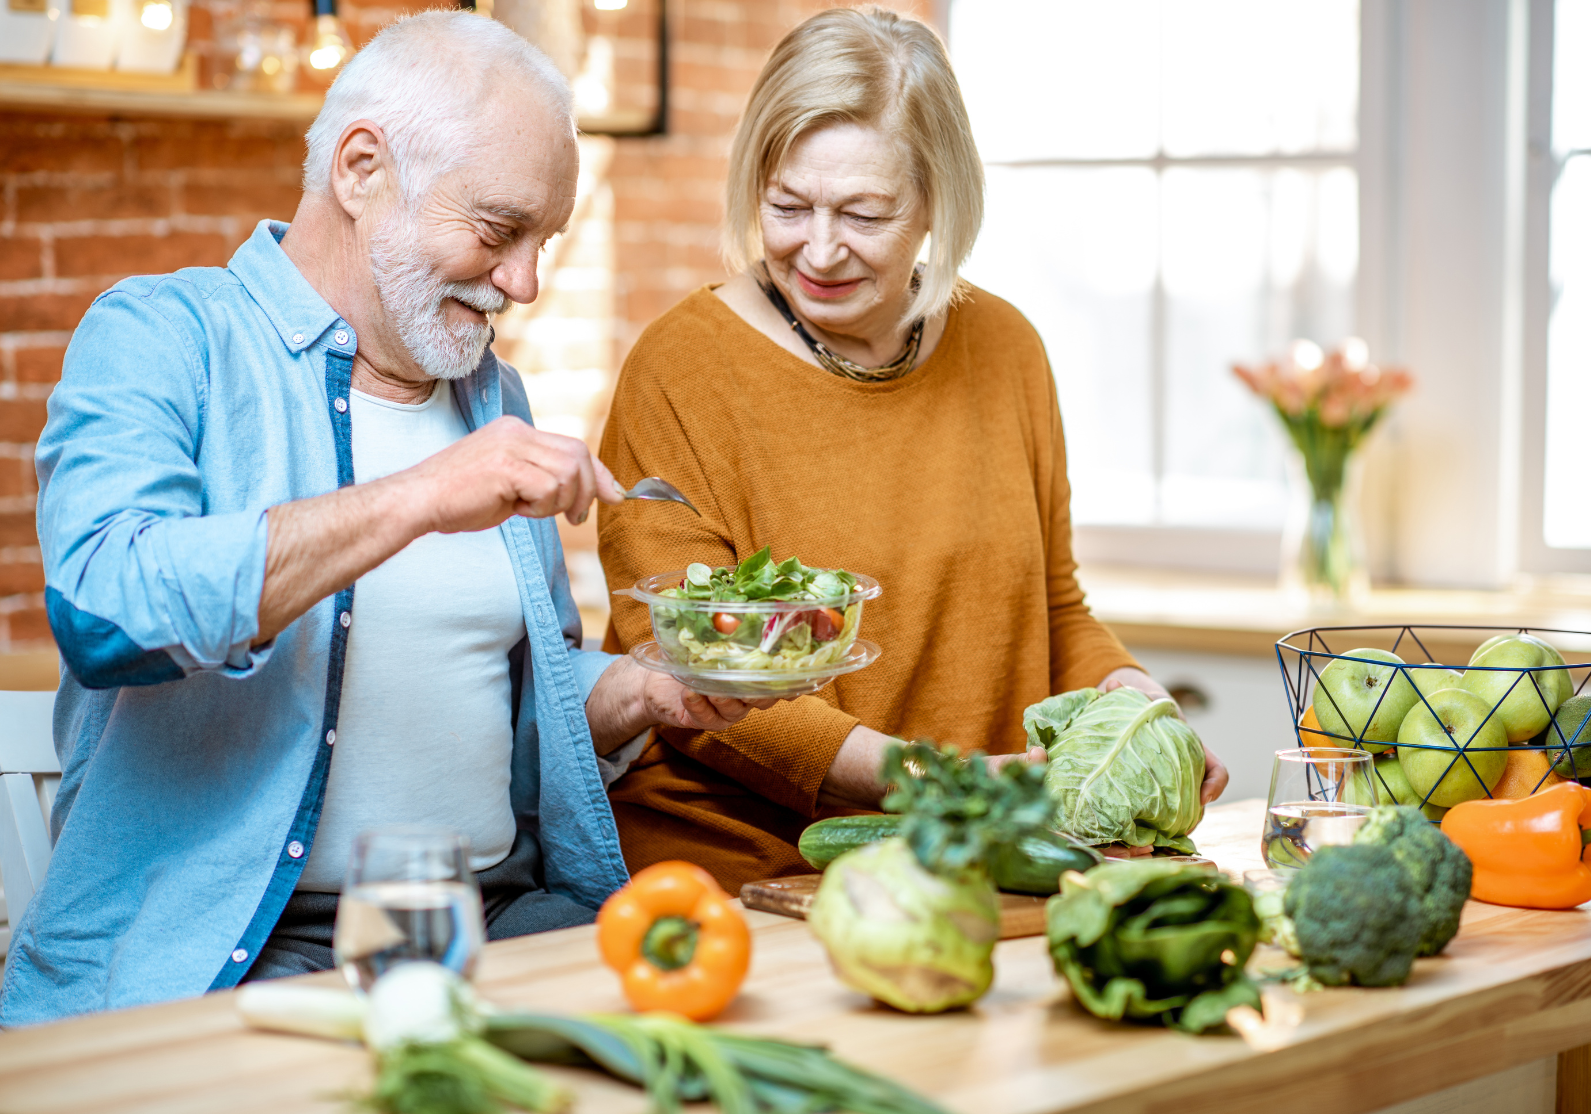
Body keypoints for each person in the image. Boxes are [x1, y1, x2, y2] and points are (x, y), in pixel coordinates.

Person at [0, 12, 772, 1026]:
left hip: (502, 920)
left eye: (542, 243)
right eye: (497, 230)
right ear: (361, 169)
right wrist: (418, 496)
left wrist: (641, 691)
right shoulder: (164, 336)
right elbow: (105, 612)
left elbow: (497, 708)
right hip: (242, 953)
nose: (524, 283)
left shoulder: (491, 397)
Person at [597, 7, 1229, 893]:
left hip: (975, 858)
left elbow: (1052, 608)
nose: (819, 250)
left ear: (937, 200)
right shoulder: (681, 367)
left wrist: (1137, 707)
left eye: (864, 213)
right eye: (787, 206)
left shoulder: (1006, 348)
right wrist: (937, 781)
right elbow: (685, 672)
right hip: (750, 874)